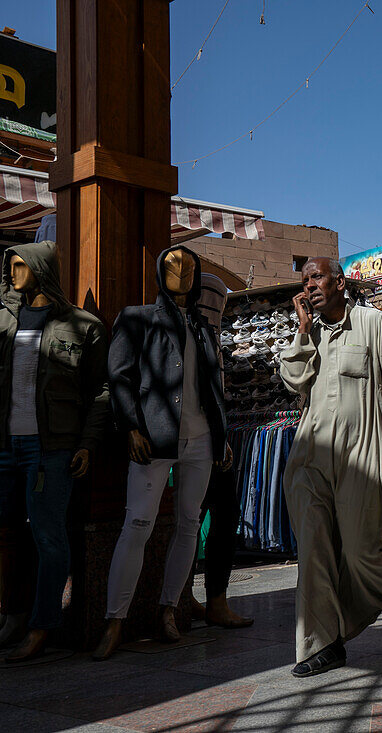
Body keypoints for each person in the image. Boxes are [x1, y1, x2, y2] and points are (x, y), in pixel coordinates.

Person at [279, 257, 382, 677]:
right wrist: (304, 332)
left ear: (340, 282)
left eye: (317, 276)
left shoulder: (372, 322)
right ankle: (324, 645)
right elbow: (293, 381)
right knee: (313, 550)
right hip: (310, 455)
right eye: (304, 280)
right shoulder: (309, 332)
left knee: (361, 551)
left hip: (363, 451)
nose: (309, 285)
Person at [94, 246, 233, 661]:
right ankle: (114, 620)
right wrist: (131, 426)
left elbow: (212, 388)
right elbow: (118, 377)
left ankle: (168, 610)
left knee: (189, 524)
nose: (182, 272)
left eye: (190, 267)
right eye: (173, 265)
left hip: (201, 439)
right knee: (137, 523)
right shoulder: (137, 318)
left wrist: (221, 434)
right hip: (155, 439)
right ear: (159, 271)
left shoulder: (203, 327)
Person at [0, 241, 110, 662]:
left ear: (41, 267)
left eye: (19, 265)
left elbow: (101, 390)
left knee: (49, 537)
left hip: (53, 449)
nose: (12, 272)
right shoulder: (5, 320)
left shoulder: (82, 325)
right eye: (9, 266)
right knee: (7, 536)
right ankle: (13, 613)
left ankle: (42, 626)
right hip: (6, 445)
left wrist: (86, 444)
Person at [179, 273, 253, 629]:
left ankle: (207, 600)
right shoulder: (189, 334)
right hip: (189, 445)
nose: (216, 309)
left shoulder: (211, 337)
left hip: (212, 443)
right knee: (201, 521)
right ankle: (195, 599)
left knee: (215, 519)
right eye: (212, 301)